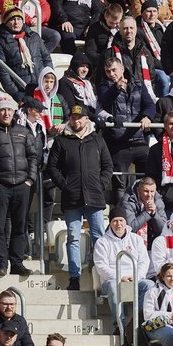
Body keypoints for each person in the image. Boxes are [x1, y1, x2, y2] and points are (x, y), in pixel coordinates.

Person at [45, 104, 112, 290]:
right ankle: (74, 278)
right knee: (73, 237)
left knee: (99, 238)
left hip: (95, 197)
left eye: (79, 117)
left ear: (86, 120)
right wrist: (64, 185)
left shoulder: (97, 140)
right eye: (73, 118)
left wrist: (100, 184)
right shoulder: (61, 141)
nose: (76, 120)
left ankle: (102, 276)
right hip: (72, 198)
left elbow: (107, 165)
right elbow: (52, 167)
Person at [0, 97, 37, 277]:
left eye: (9, 110)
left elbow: (33, 157)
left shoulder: (24, 132)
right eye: (2, 110)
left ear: (14, 113)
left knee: (20, 227)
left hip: (22, 185)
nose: (6, 113)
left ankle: (17, 263)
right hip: (0, 186)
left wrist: (30, 180)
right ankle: (1, 263)